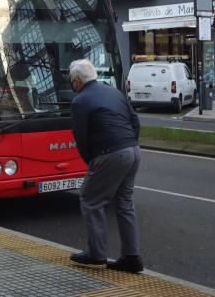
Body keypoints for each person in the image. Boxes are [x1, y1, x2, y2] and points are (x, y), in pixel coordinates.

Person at [69, 59, 144, 273]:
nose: (72, 86)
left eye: (71, 82)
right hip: (132, 151)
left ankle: (96, 253)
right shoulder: (114, 92)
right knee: (124, 203)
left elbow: (81, 137)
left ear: (77, 81)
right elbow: (135, 121)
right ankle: (131, 257)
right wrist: (130, 143)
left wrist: (92, 162)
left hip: (109, 154)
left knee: (90, 198)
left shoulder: (80, 101)